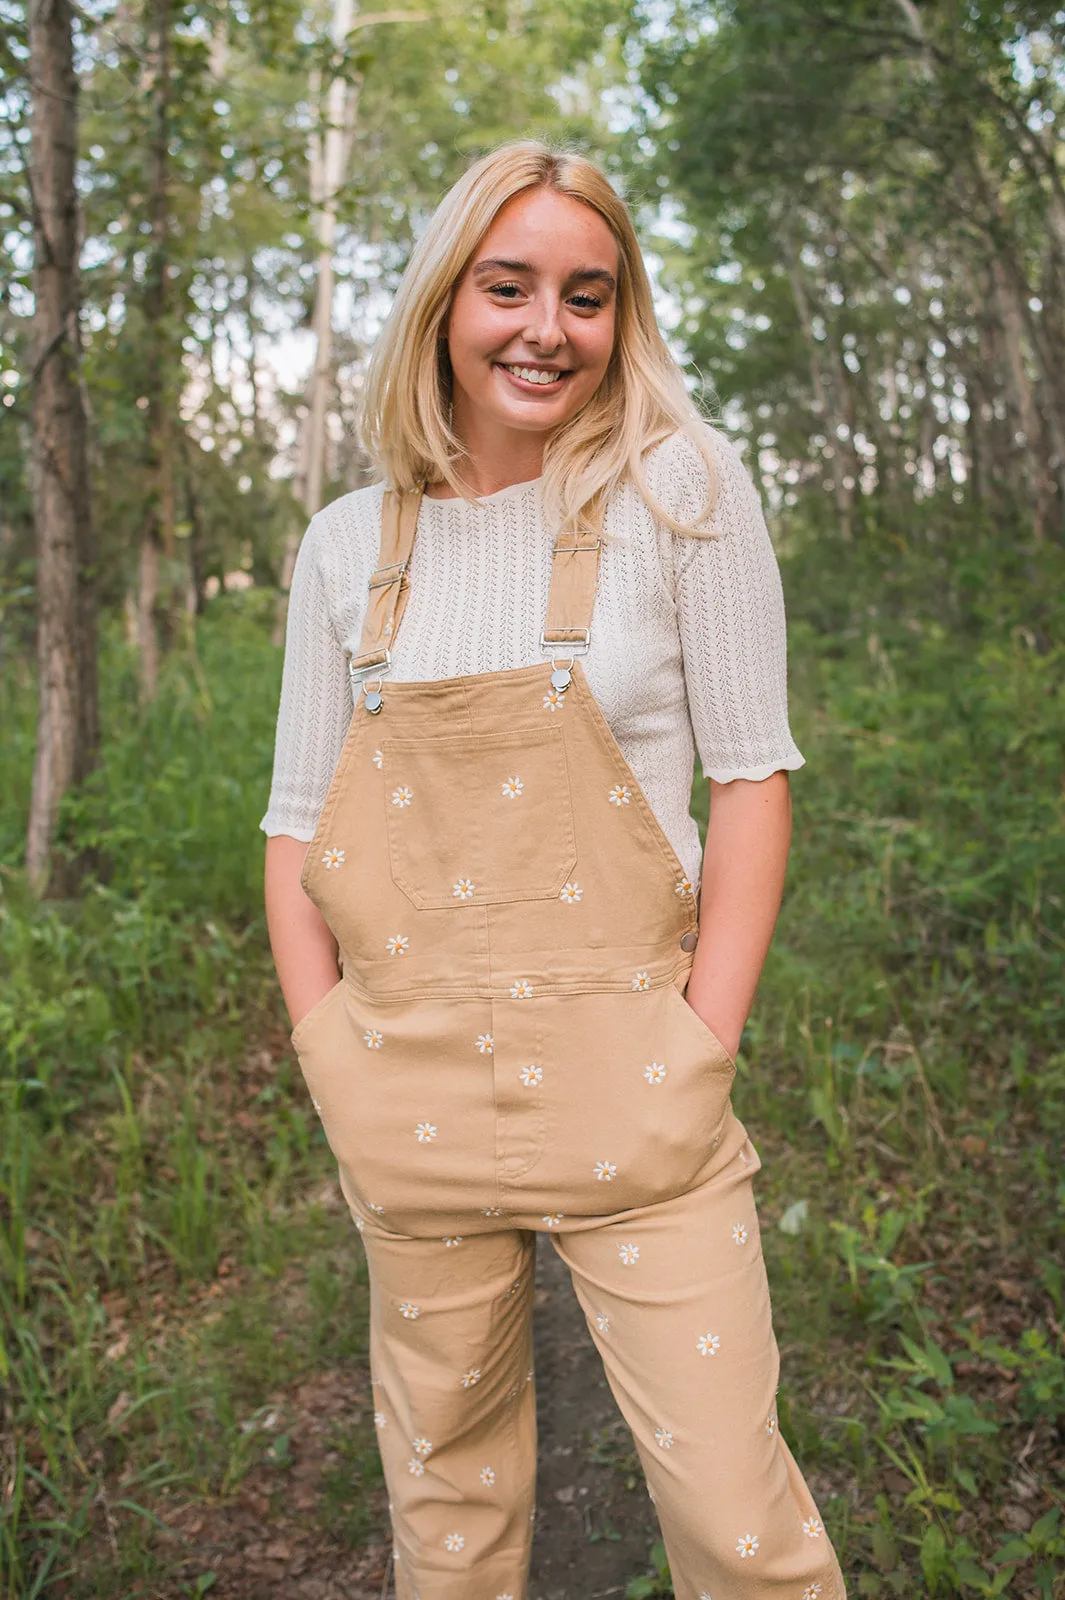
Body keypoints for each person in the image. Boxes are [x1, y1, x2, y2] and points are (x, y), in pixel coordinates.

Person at [261, 139, 846, 1600]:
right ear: (442, 303)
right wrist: (325, 1044)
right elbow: (293, 821)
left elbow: (753, 773)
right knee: (445, 1510)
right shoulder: (348, 548)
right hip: (406, 1096)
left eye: (587, 295)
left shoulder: (684, 496)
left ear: (621, 314)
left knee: (739, 1522)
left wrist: (702, 1041)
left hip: (637, 1093)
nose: (548, 328)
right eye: (508, 285)